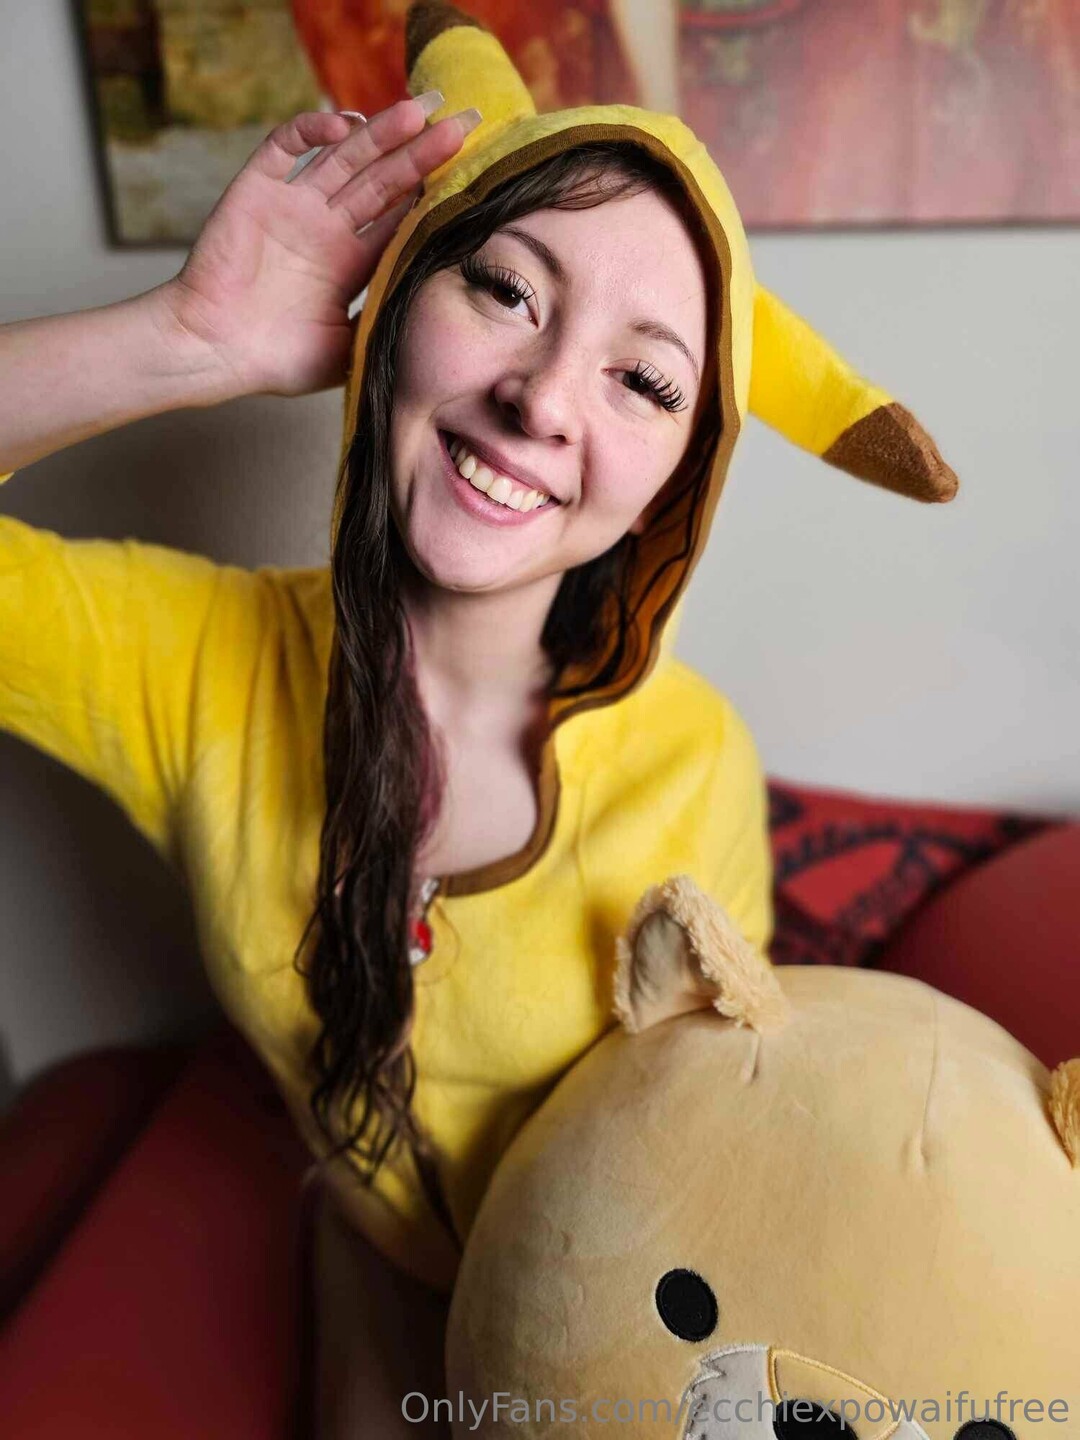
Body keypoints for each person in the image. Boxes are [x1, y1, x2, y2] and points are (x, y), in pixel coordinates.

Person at [0, 3, 956, 1435]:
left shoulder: (694, 762)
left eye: (644, 379)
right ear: (400, 300)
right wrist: (189, 341)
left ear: (677, 481)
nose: (541, 398)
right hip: (367, 1290)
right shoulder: (190, 663)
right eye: (506, 290)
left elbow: (712, 1140)